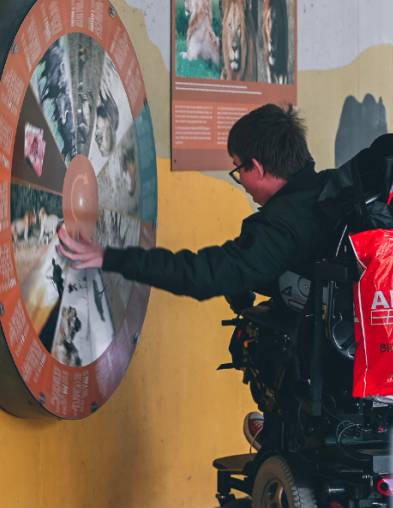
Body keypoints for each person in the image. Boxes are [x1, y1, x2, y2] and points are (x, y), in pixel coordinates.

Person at [59, 103, 336, 447]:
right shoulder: (329, 193)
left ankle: (282, 437)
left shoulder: (281, 225)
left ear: (259, 168)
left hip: (325, 375)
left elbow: (203, 273)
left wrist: (108, 256)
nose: (243, 183)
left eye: (238, 170)